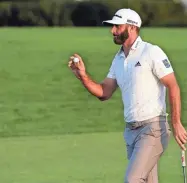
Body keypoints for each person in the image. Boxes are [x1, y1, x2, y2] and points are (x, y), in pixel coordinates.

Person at [68, 8, 187, 183]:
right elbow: (104, 92)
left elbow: (173, 86)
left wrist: (176, 123)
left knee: (133, 179)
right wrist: (83, 76)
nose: (112, 31)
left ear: (131, 27)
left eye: (117, 26)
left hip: (153, 129)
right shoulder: (118, 60)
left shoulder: (151, 52)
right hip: (131, 132)